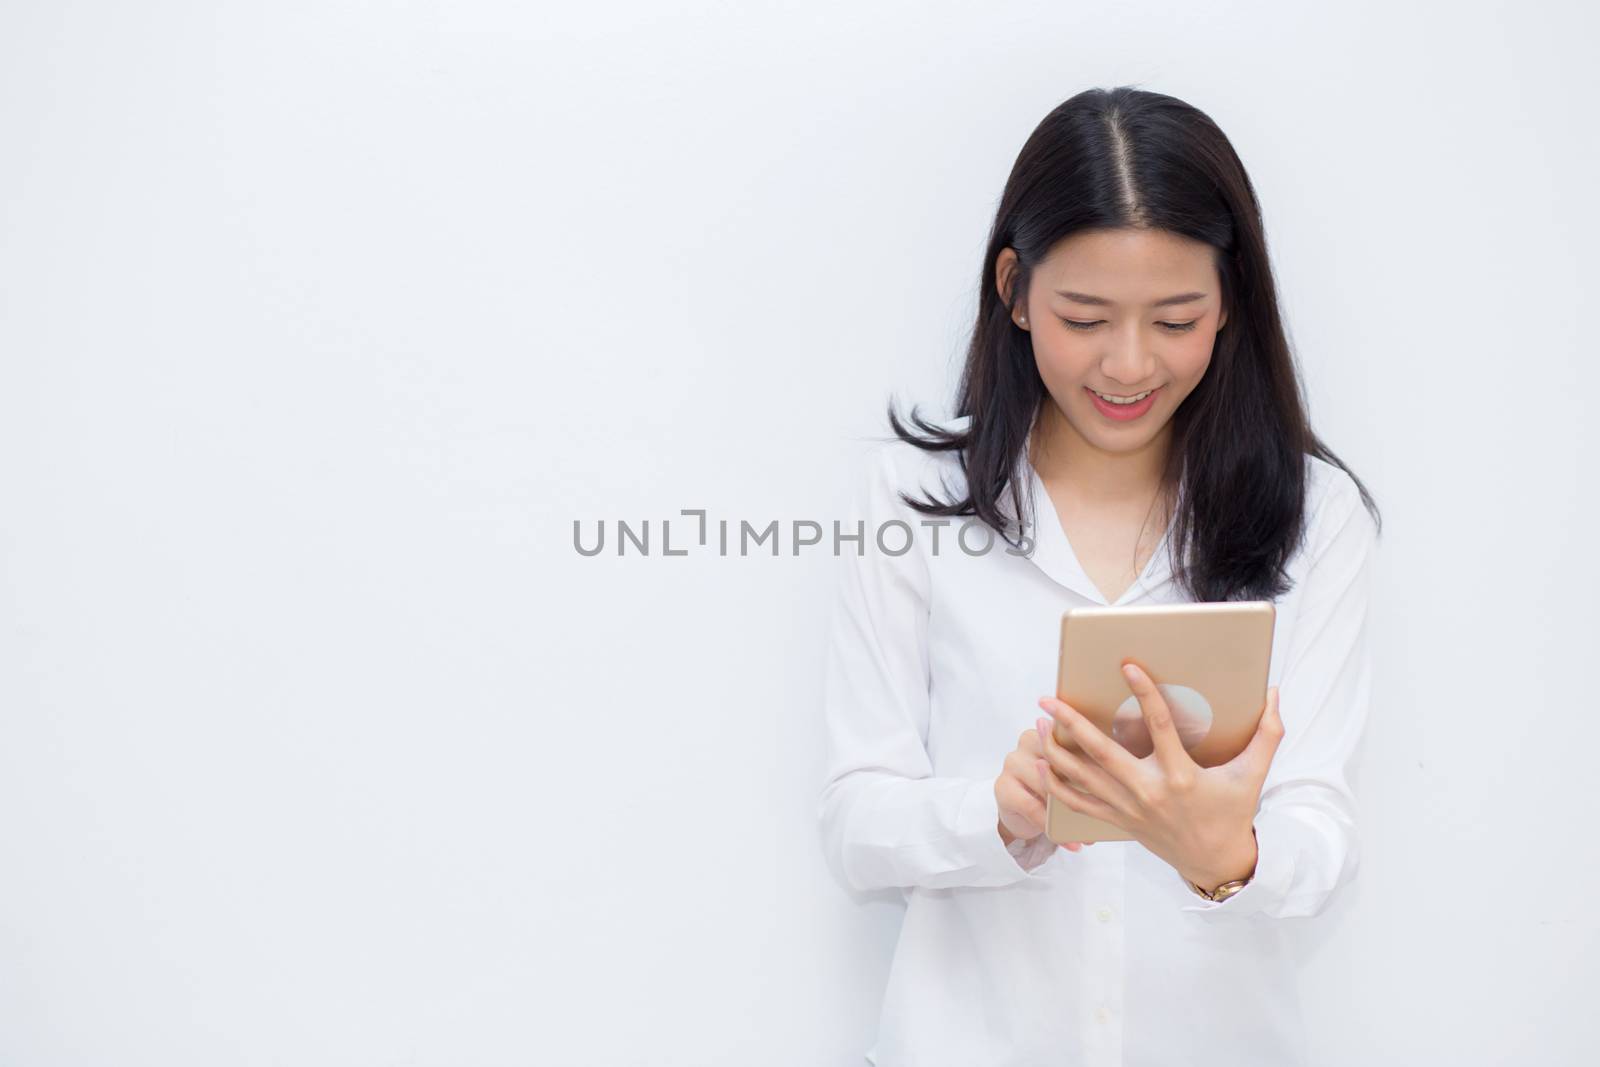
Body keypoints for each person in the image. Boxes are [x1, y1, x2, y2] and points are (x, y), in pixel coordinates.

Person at [815, 86, 1383, 1067]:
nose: (1127, 365)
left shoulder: (1314, 513)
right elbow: (857, 818)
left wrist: (1228, 854)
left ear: (1230, 305)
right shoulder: (911, 495)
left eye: (1174, 318)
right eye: (1084, 315)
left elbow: (1319, 829)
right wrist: (996, 808)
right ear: (1014, 290)